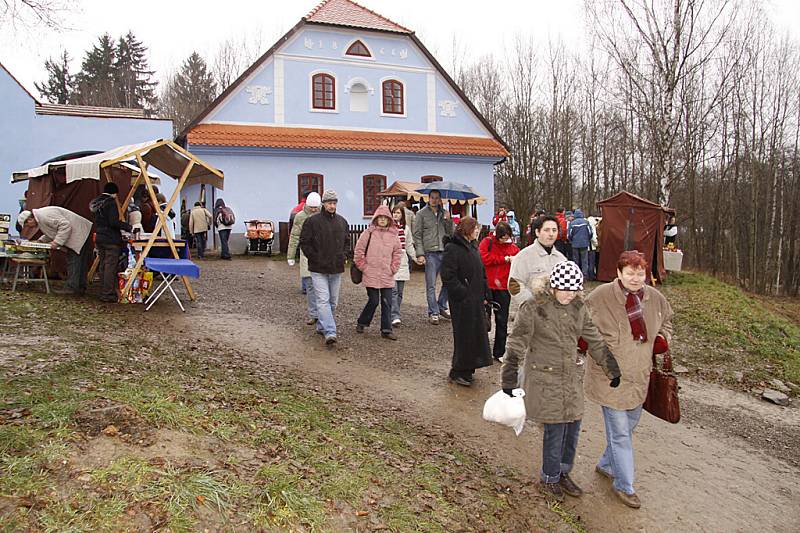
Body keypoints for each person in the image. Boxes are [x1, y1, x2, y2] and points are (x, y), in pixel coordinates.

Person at [501, 261, 621, 502]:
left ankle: (563, 472)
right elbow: (516, 343)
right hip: (544, 377)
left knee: (573, 427)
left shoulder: (578, 308)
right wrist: (509, 377)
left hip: (570, 379)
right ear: (553, 286)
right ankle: (549, 477)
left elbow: (594, 339)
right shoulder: (534, 307)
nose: (569, 294)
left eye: (574, 289)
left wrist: (611, 368)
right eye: (564, 289)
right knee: (555, 430)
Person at [584, 250, 674, 509]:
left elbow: (667, 321)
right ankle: (624, 485)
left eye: (640, 273)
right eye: (630, 273)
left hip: (639, 376)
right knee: (621, 433)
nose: (635, 278)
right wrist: (591, 345)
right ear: (619, 273)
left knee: (629, 425)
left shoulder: (655, 299)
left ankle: (605, 464)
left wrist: (662, 339)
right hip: (609, 377)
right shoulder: (600, 298)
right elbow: (582, 323)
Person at [441, 216, 492, 386]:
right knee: (464, 336)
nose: (477, 231)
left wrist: (485, 293)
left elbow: (481, 272)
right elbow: (448, 276)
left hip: (475, 299)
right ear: (466, 230)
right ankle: (458, 371)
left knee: (475, 335)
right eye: (475, 228)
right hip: (462, 302)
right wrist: (462, 293)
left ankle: (469, 368)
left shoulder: (473, 247)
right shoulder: (452, 248)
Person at [299, 190, 350, 345]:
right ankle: (330, 331)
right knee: (322, 299)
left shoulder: (342, 222)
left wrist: (344, 255)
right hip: (318, 268)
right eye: (329, 203)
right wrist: (314, 257)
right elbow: (304, 242)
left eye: (334, 203)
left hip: (336, 267)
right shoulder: (312, 222)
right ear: (323, 204)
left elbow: (347, 242)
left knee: (333, 301)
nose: (332, 206)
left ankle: (322, 325)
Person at [17, 206, 93, 296]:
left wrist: (57, 242)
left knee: (74, 261)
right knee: (80, 262)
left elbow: (65, 225)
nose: (29, 227)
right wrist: (41, 241)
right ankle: (80, 287)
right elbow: (52, 231)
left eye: (27, 225)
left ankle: (72, 288)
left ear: (29, 220)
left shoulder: (44, 216)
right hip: (80, 231)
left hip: (79, 232)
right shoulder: (41, 217)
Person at [354, 205, 402, 340]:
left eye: (384, 218)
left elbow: (398, 253)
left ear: (389, 219)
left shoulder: (394, 235)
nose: (382, 220)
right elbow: (359, 251)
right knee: (374, 300)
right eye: (379, 217)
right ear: (376, 218)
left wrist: (393, 268)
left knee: (387, 302)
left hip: (387, 274)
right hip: (371, 273)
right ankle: (362, 321)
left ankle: (386, 330)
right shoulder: (368, 233)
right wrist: (364, 267)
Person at [479, 222, 519, 361]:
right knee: (483, 320)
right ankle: (481, 351)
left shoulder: (514, 248)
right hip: (487, 286)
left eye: (507, 237)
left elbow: (519, 264)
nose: (504, 240)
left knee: (502, 321)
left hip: (503, 288)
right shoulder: (487, 242)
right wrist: (504, 259)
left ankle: (499, 352)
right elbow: (483, 258)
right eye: (502, 237)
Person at [412, 189, 454, 325]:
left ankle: (441, 305)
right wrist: (420, 253)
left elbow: (450, 233)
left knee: (449, 282)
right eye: (433, 198)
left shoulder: (444, 214)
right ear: (428, 199)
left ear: (440, 199)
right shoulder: (421, 214)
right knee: (431, 285)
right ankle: (433, 312)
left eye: (437, 198)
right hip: (430, 253)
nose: (435, 200)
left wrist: (448, 220)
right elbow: (417, 235)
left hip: (444, 252)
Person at [508, 215, 567, 311]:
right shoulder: (523, 257)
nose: (551, 234)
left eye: (554, 230)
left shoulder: (561, 259)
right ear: (537, 232)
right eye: (546, 230)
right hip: (532, 315)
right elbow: (514, 285)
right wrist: (532, 304)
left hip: (557, 315)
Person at [90, 182, 132, 302]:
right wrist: (127, 227)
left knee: (103, 264)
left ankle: (103, 290)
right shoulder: (110, 202)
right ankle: (108, 294)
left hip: (99, 237)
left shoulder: (96, 202)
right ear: (114, 193)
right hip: (110, 238)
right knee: (110, 266)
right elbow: (113, 222)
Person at [287, 192, 322, 325]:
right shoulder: (300, 217)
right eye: (311, 207)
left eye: (316, 207)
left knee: (322, 287)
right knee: (310, 286)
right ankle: (314, 314)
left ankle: (323, 312)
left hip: (322, 255)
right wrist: (291, 255)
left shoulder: (323, 216)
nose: (313, 209)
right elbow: (295, 236)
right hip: (306, 254)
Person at [390, 203, 416, 327]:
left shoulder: (406, 229)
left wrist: (416, 257)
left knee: (400, 292)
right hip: (392, 260)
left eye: (398, 213)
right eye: (394, 212)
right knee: (393, 291)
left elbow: (409, 244)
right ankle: (394, 315)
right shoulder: (389, 228)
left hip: (403, 261)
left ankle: (395, 311)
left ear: (402, 215)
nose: (396, 215)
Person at [568, 209, 593, 278]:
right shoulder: (586, 222)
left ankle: (576, 275)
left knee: (576, 260)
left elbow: (569, 235)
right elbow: (590, 233)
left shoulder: (572, 223)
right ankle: (584, 276)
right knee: (584, 260)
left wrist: (571, 241)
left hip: (575, 244)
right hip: (584, 243)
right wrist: (588, 239)